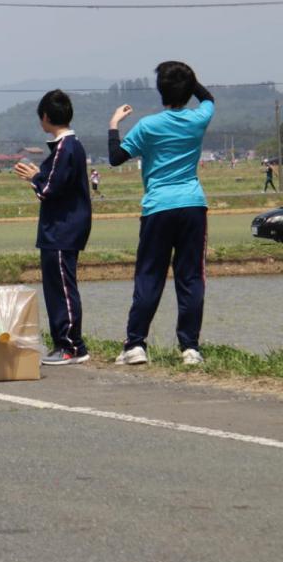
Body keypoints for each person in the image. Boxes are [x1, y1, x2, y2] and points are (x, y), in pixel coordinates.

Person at [109, 61, 214, 366]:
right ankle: (190, 348)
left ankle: (135, 345)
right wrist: (189, 79)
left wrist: (114, 124)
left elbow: (116, 157)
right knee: (191, 277)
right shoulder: (199, 118)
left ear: (160, 91)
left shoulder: (148, 126)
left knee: (150, 275)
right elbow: (208, 98)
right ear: (188, 89)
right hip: (192, 205)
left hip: (158, 207)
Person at [13, 90, 92, 365]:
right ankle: (66, 343)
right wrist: (39, 176)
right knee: (58, 286)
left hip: (61, 229)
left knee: (62, 288)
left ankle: (70, 346)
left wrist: (34, 176)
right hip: (61, 228)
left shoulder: (64, 147)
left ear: (45, 117)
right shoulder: (70, 146)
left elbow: (48, 189)